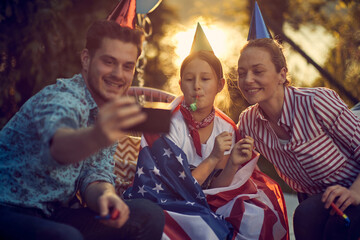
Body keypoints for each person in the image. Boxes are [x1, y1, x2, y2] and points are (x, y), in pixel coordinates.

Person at [0, 20, 164, 240]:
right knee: (67, 237)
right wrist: (98, 135)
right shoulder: (63, 98)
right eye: (109, 62)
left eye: (128, 66)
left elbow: (95, 176)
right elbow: (59, 146)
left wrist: (107, 196)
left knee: (148, 214)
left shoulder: (106, 110)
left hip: (54, 212)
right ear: (86, 59)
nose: (118, 74)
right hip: (9, 207)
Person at [125, 23, 288, 240]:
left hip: (207, 200)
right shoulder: (164, 123)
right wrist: (212, 158)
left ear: (220, 85)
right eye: (190, 80)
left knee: (257, 213)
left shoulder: (227, 127)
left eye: (205, 79)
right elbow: (179, 189)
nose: (197, 87)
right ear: (181, 84)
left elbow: (218, 190)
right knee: (201, 227)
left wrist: (232, 164)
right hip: (169, 201)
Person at [236, 37, 360, 240]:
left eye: (258, 71)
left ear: (282, 74)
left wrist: (355, 193)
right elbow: (233, 154)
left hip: (355, 186)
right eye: (242, 73)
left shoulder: (317, 102)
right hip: (320, 200)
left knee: (338, 226)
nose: (248, 79)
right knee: (304, 217)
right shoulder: (249, 122)